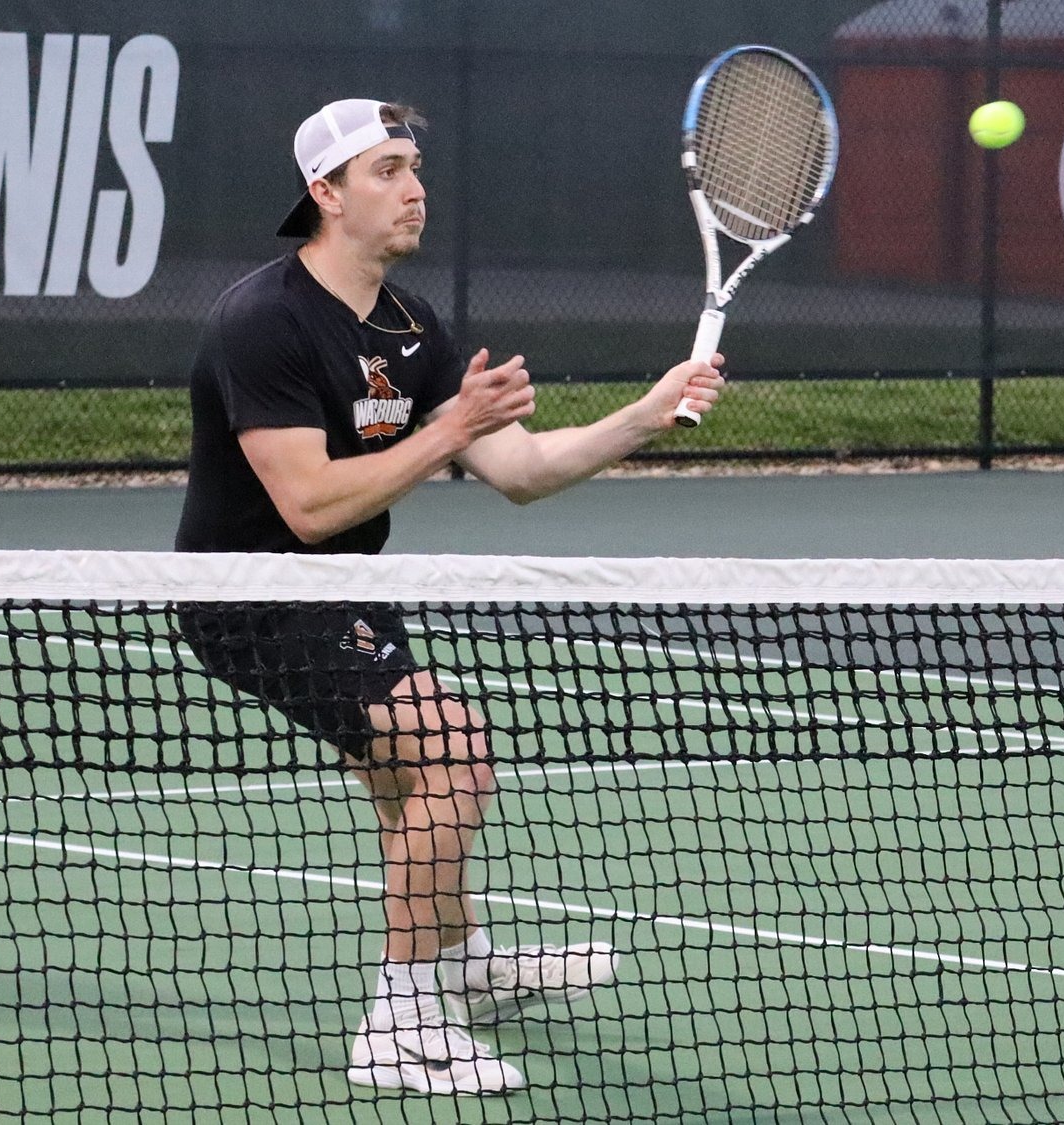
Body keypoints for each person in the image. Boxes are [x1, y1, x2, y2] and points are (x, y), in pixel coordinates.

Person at [173, 98, 725, 1096]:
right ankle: (398, 1023)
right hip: (247, 594)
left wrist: (644, 413)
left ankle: (459, 962)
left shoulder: (410, 326)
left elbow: (519, 468)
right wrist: (446, 428)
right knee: (453, 749)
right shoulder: (262, 321)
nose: (414, 188)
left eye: (414, 166)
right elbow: (303, 506)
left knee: (405, 781)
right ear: (325, 194)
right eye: (386, 170)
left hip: (350, 591)